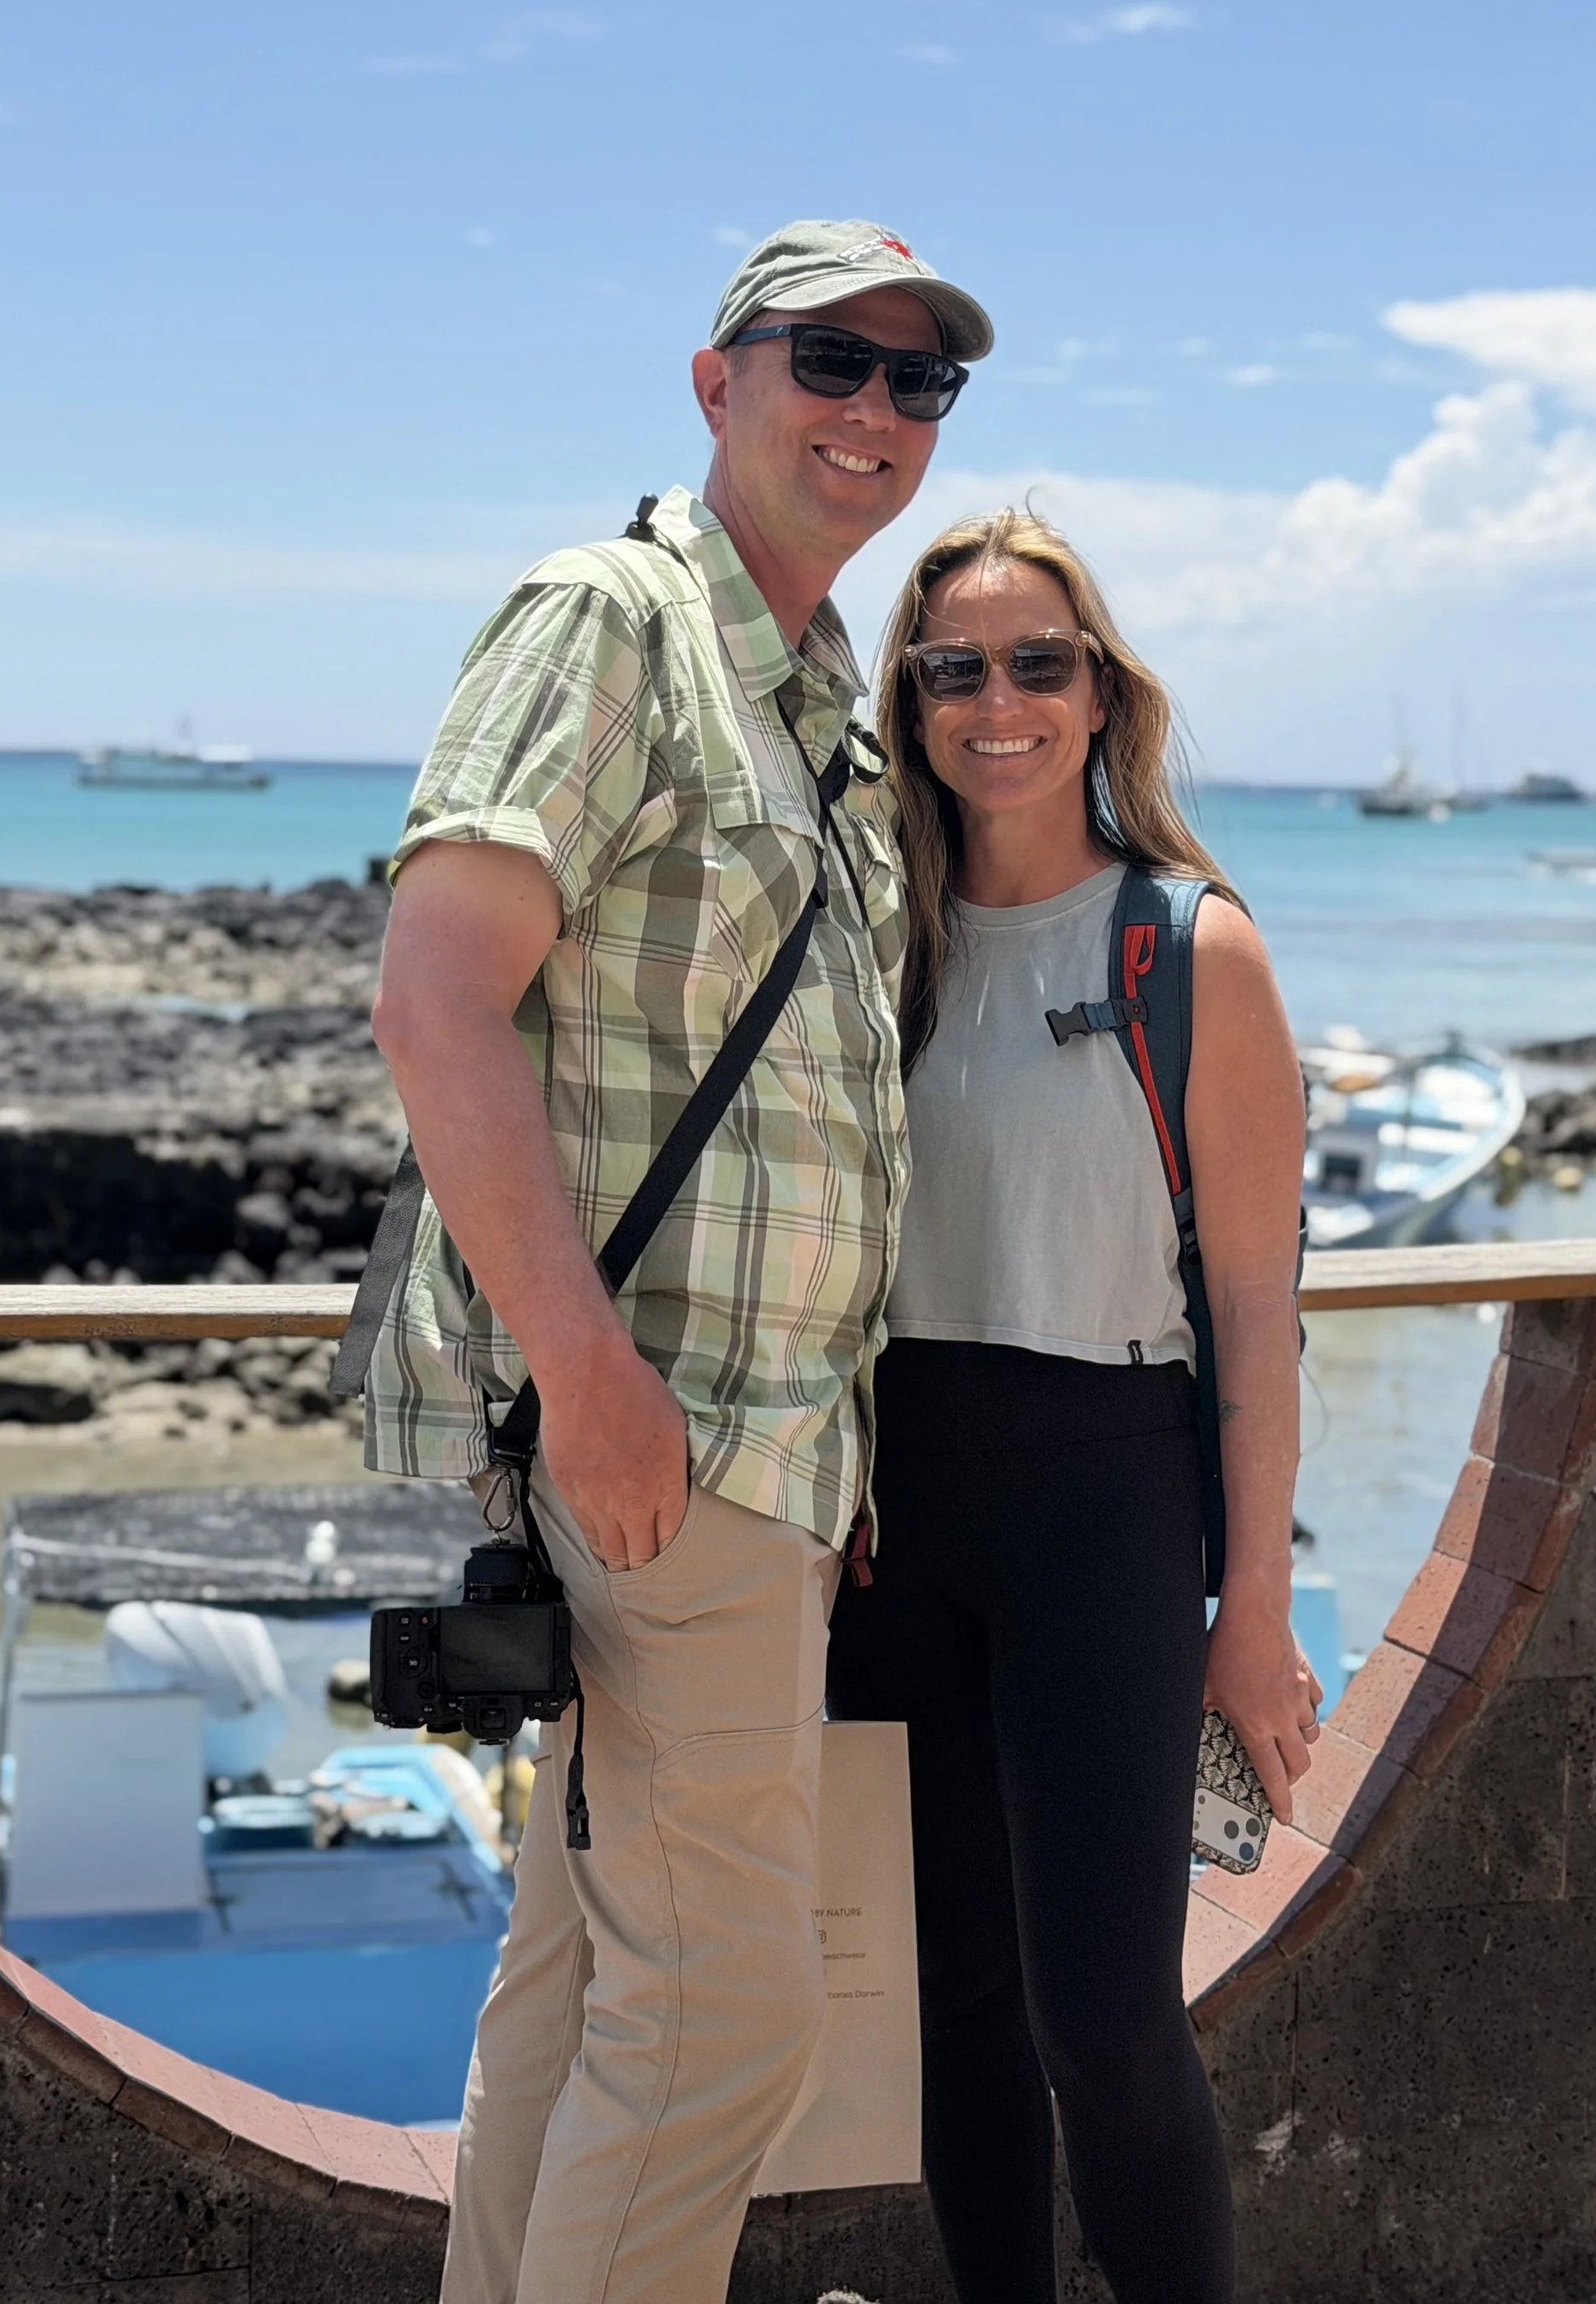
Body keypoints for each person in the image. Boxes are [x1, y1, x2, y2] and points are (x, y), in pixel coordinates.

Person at [363, 221, 994, 2304]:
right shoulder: (612, 617)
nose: (876, 413)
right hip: (662, 1431)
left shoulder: (805, 679)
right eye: (832, 360)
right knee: (724, 2016)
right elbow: (437, 999)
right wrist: (599, 1376)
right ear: (714, 380)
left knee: (583, 1997)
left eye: (920, 385)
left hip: (755, 1450)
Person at [826, 506, 1319, 2304]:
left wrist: (1245, 1609)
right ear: (907, 700)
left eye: (1040, 661)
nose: (997, 700)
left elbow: (1258, 1312)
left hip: (1103, 1505)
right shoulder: (871, 937)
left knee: (1101, 2018)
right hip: (893, 1512)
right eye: (951, 666)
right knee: (952, 2007)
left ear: (1101, 693)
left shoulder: (1187, 946)